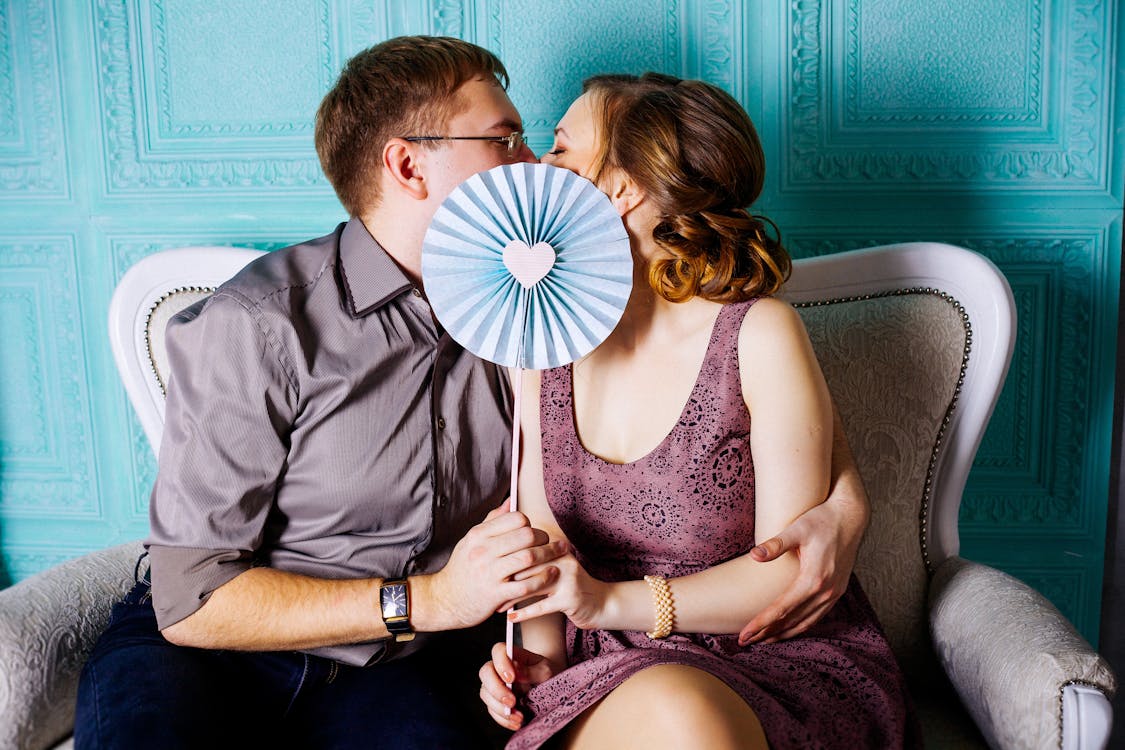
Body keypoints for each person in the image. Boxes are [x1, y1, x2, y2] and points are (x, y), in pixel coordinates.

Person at [74, 37, 868, 749]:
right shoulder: (259, 323)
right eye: (505, 140)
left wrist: (846, 502)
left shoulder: (537, 313)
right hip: (225, 652)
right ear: (408, 165)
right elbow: (191, 601)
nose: (527, 163)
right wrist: (432, 601)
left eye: (540, 143)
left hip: (400, 669)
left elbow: (689, 439)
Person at [478, 73, 918, 749]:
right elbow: (542, 542)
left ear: (619, 188)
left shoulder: (757, 334)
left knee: (683, 713)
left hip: (766, 660)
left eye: (561, 150)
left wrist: (607, 602)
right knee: (667, 710)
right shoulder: (540, 343)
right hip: (605, 673)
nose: (538, 165)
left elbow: (787, 570)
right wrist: (541, 662)